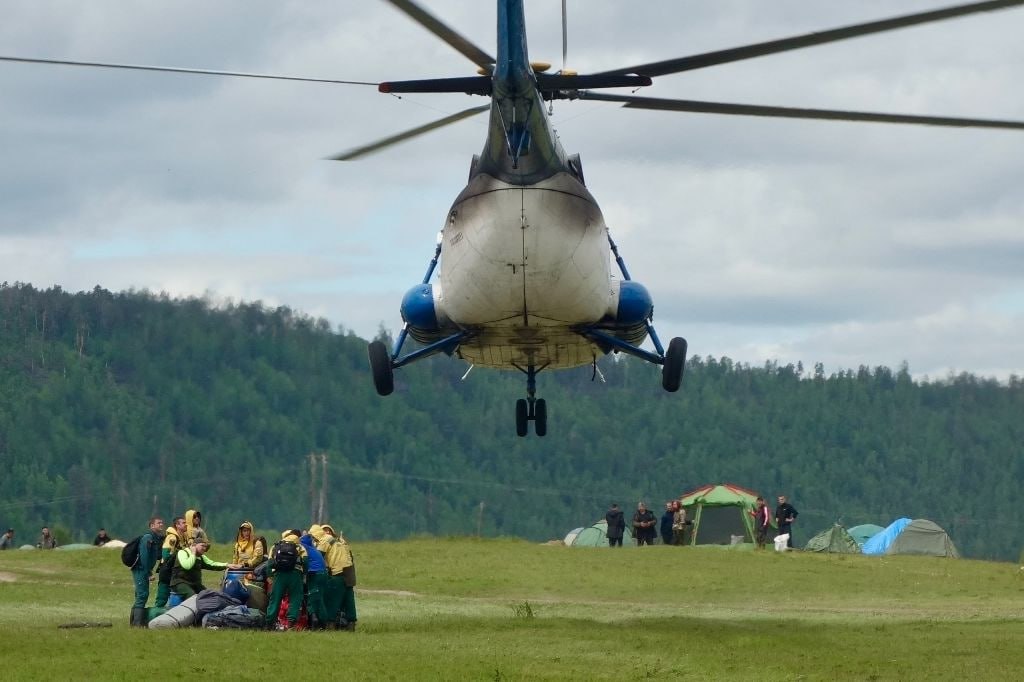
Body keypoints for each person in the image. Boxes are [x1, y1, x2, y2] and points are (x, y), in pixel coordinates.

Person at [310, 523, 357, 630]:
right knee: (349, 601)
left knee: (332, 600)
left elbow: (317, 557)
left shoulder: (324, 540)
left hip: (337, 574)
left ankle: (330, 625)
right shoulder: (341, 542)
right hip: (349, 573)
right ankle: (351, 625)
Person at [265, 530, 307, 630]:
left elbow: (269, 563)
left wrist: (270, 576)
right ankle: (291, 624)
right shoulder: (300, 547)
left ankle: (269, 624)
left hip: (279, 575)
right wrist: (303, 575)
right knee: (295, 599)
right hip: (295, 575)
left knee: (275, 599)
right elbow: (306, 562)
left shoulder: (276, 547)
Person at [170, 540, 238, 598]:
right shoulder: (182, 552)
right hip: (180, 583)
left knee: (210, 596)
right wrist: (193, 553)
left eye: (205, 546)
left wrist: (227, 565)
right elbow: (187, 566)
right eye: (202, 545)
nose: (204, 548)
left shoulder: (201, 557)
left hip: (195, 584)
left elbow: (212, 564)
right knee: (193, 598)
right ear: (194, 545)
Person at [129, 517, 165, 627]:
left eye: (162, 523)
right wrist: (148, 572)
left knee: (141, 595)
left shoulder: (156, 538)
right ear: (152, 526)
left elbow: (157, 555)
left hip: (144, 570)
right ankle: (137, 624)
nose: (161, 524)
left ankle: (134, 623)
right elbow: (144, 556)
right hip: (141, 569)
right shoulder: (148, 538)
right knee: (142, 595)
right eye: (158, 523)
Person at [299, 530, 329, 629]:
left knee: (312, 598)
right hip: (323, 573)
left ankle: (315, 620)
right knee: (319, 598)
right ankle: (323, 623)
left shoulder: (303, 547)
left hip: (315, 574)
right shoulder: (313, 548)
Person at [155, 516, 186, 607]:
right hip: (167, 570)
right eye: (183, 523)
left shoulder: (182, 537)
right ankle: (154, 615)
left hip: (176, 571)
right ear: (177, 525)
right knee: (163, 596)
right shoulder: (172, 537)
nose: (186, 525)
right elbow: (166, 555)